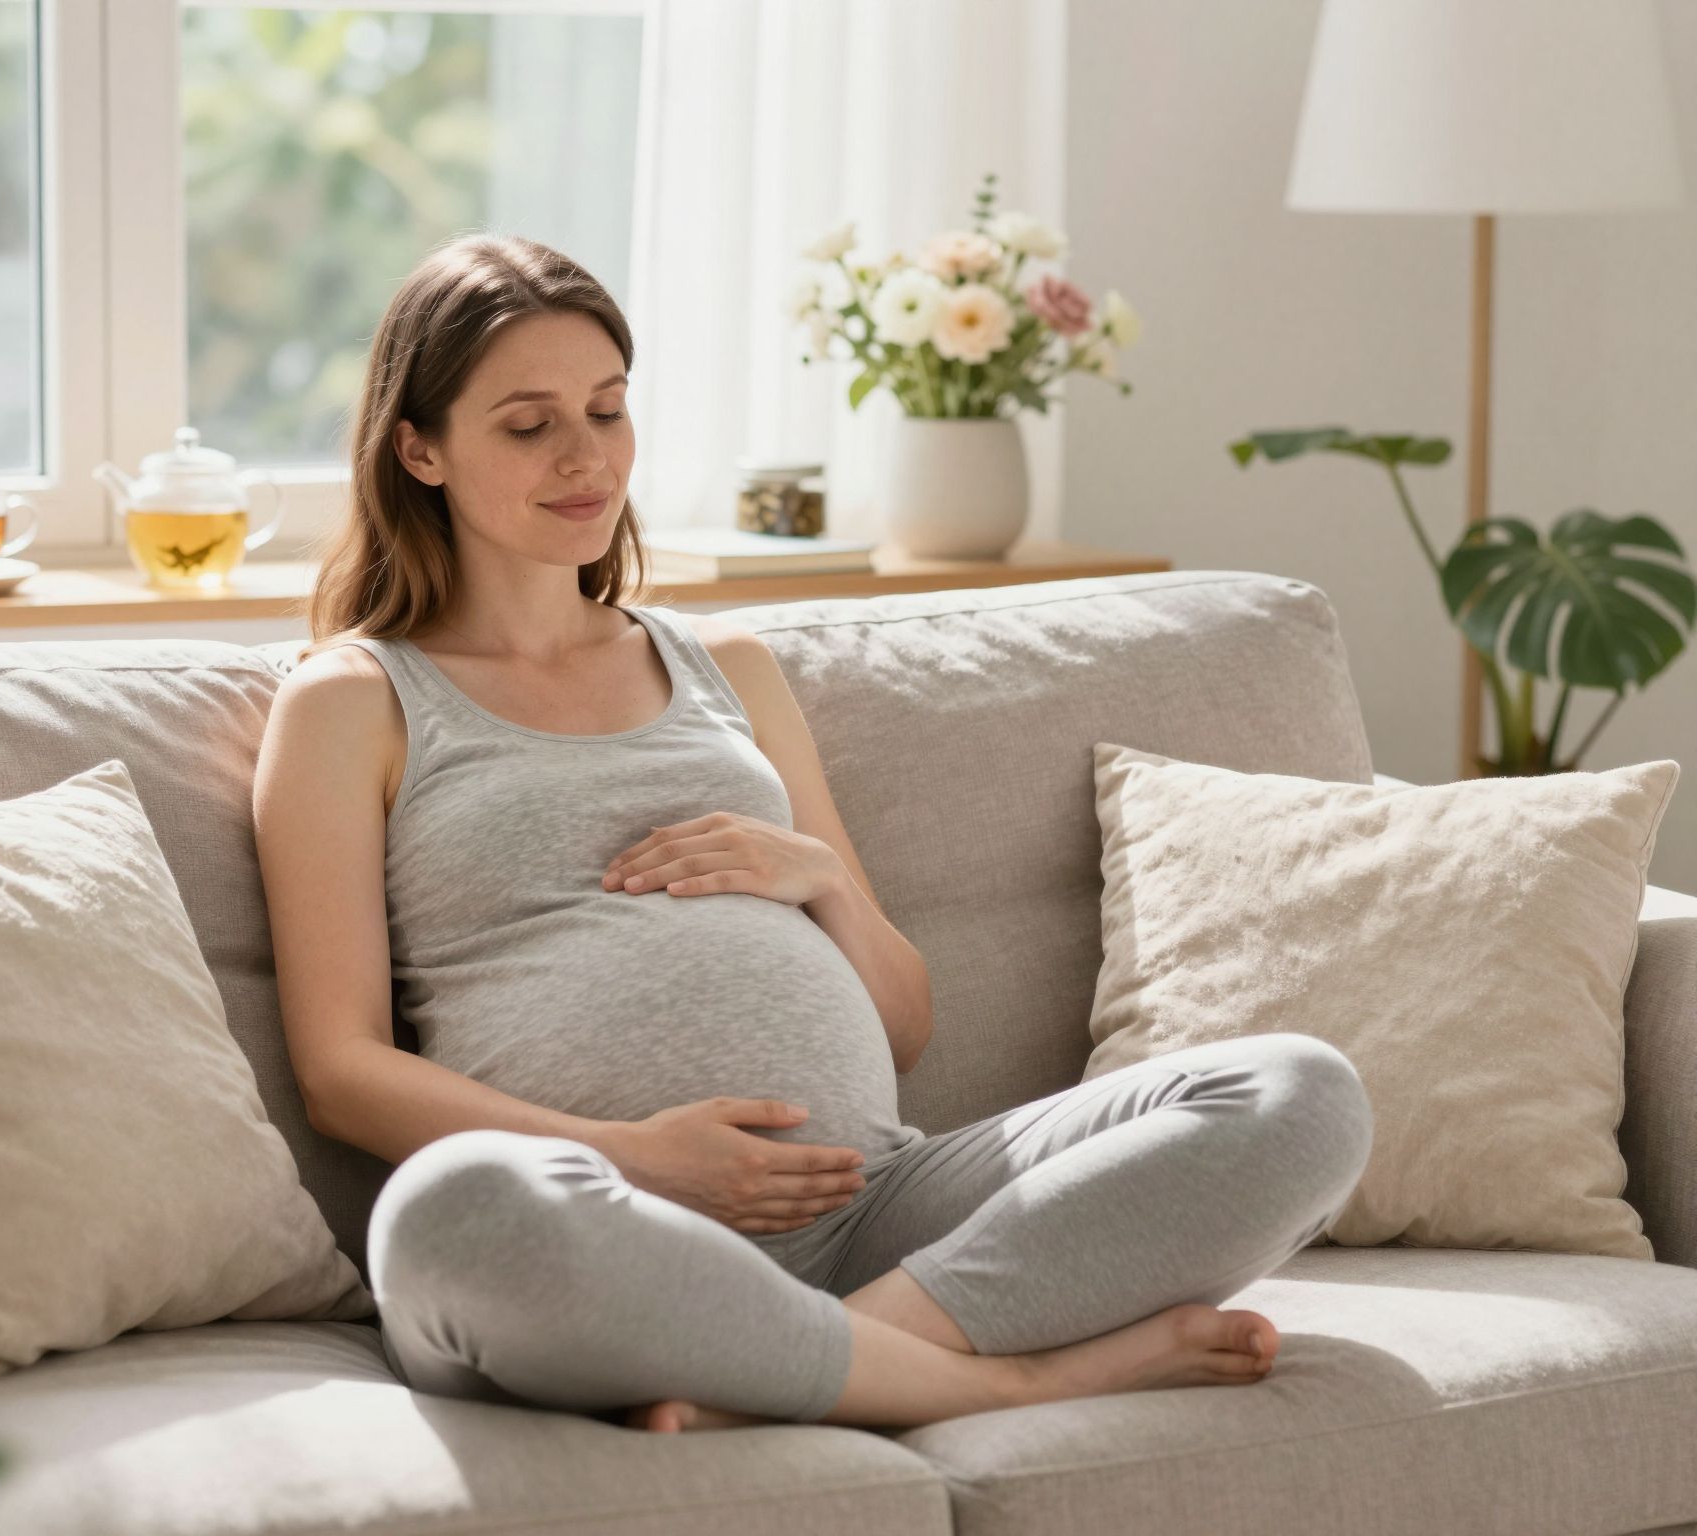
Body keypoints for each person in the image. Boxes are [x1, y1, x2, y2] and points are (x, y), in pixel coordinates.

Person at [252, 231, 1375, 1434]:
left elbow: (901, 1027)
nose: (585, 458)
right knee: (455, 1213)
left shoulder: (726, 667)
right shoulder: (352, 702)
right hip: (606, 1224)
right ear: (417, 446)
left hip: (878, 1210)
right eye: (528, 426)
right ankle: (1006, 1376)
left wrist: (823, 879)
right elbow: (340, 1074)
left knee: (1299, 1095)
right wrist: (633, 1157)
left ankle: (797, 1368)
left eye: (607, 410)